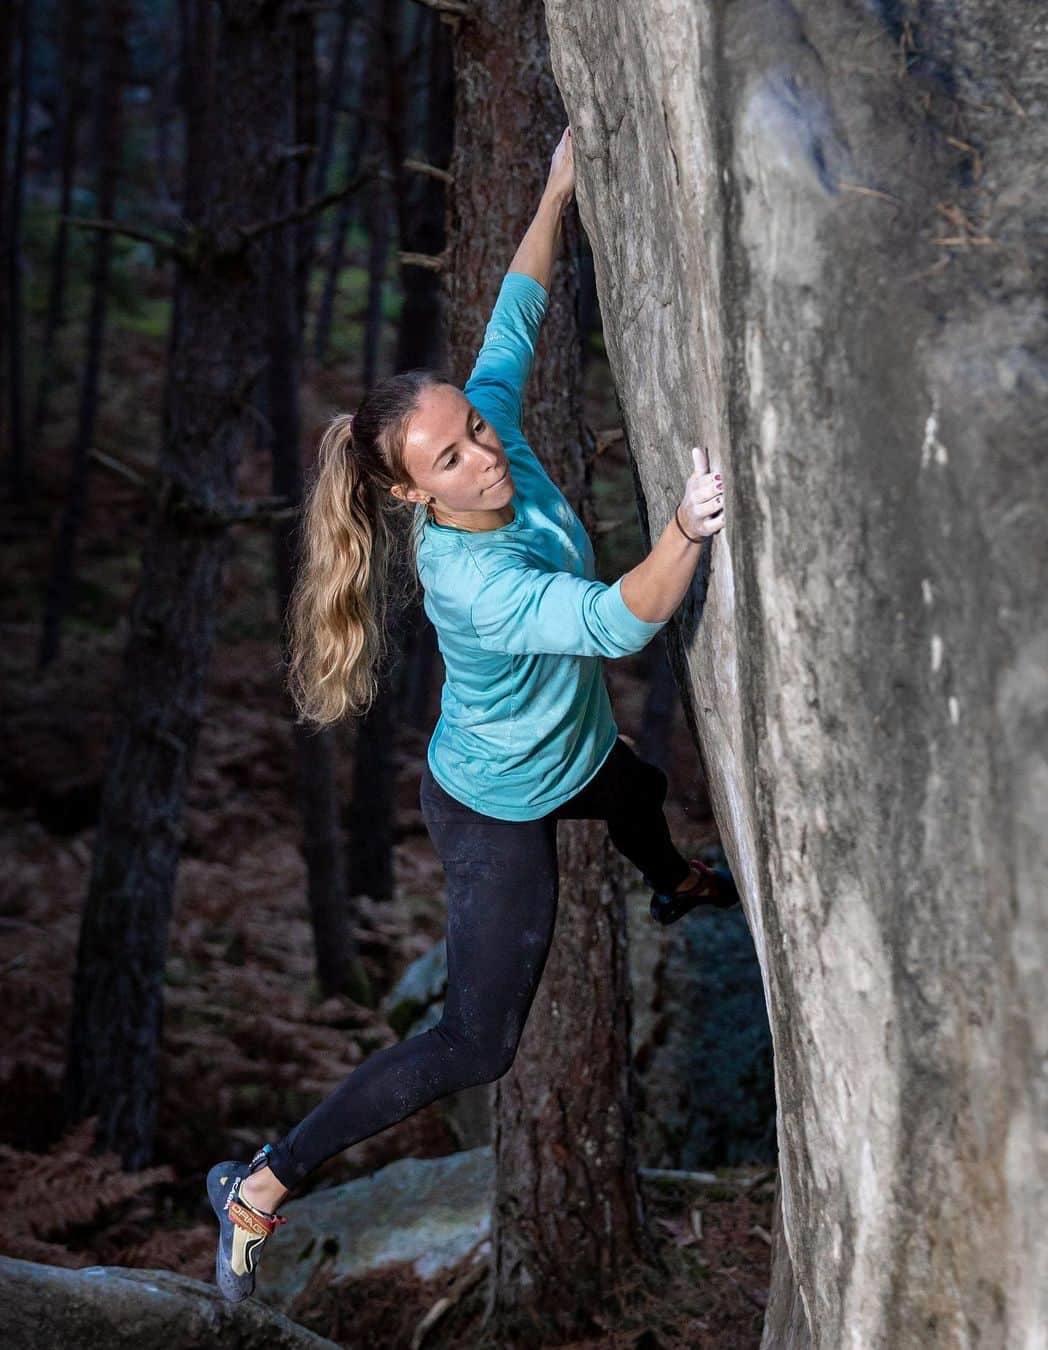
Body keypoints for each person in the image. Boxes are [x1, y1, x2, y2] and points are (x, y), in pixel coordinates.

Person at [207, 124, 732, 1304]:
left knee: (638, 788)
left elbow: (514, 317)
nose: (485, 453)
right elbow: (617, 623)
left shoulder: (489, 425)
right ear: (408, 493)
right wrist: (685, 534)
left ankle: (675, 880)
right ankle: (261, 1184)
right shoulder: (471, 582)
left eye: (478, 430)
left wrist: (554, 190)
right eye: (450, 457)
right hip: (496, 806)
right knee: (476, 1044)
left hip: (574, 754)